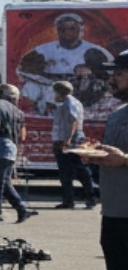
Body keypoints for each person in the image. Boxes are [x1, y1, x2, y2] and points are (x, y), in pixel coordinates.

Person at [77, 51, 128, 270]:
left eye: (120, 72)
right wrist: (93, 157)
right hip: (115, 213)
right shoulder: (118, 114)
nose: (114, 77)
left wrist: (123, 161)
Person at [0, 83, 33, 223]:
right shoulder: (18, 111)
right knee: (5, 181)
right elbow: (23, 135)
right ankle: (8, 209)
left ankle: (0, 211)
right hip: (12, 147)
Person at [50, 80, 98, 209]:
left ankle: (70, 200)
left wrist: (68, 139)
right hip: (71, 139)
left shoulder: (69, 103)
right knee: (78, 170)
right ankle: (88, 198)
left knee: (67, 171)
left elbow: (73, 121)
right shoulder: (70, 102)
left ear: (59, 92)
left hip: (69, 141)